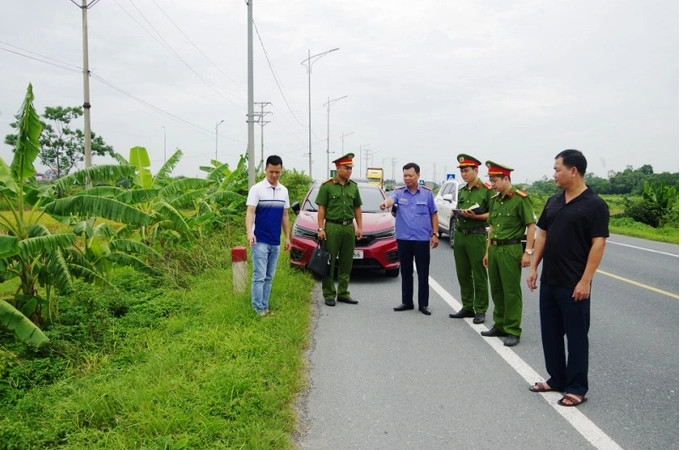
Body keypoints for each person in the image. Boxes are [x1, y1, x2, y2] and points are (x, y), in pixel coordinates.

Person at [527, 149, 609, 408]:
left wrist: (585, 281)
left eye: (557, 169)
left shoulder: (594, 205)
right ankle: (556, 379)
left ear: (573, 171)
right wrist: (533, 267)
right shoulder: (553, 200)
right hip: (550, 280)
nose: (554, 174)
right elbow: (543, 235)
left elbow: (598, 244)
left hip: (575, 284)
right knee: (550, 333)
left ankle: (576, 387)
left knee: (575, 337)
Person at [481, 161, 535, 346]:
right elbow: (492, 226)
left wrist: (527, 252)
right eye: (490, 180)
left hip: (511, 249)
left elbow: (531, 225)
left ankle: (513, 329)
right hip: (495, 249)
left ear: (506, 178)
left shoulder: (520, 199)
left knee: (511, 291)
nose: (492, 184)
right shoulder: (495, 200)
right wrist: (488, 251)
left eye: (495, 180)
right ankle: (500, 324)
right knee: (496, 288)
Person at [379, 162, 439, 315]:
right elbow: (391, 200)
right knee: (405, 272)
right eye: (405, 175)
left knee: (423, 272)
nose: (407, 178)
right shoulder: (399, 192)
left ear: (418, 175)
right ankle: (407, 302)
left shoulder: (427, 194)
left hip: (422, 240)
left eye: (410, 175)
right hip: (404, 239)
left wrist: (435, 234)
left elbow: (433, 214)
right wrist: (386, 202)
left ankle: (423, 304)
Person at [448, 154, 492, 324]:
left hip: (476, 235)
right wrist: (458, 212)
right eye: (462, 171)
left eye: (466, 171)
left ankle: (480, 309)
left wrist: (476, 216)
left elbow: (492, 215)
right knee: (463, 273)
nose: (464, 174)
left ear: (476, 170)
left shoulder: (487, 190)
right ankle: (467, 306)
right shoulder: (463, 190)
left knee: (479, 274)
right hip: (460, 235)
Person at [245, 155, 291, 316]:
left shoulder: (283, 191)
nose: (274, 175)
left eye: (277, 172)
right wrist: (250, 233)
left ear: (281, 171)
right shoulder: (256, 189)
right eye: (271, 172)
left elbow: (285, 216)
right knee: (259, 276)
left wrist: (287, 237)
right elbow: (250, 212)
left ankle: (265, 306)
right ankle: (257, 308)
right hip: (259, 240)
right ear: (265, 169)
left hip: (275, 240)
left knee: (269, 277)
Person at [315, 153, 363, 307]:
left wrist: (359, 227)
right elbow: (321, 208)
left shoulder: (353, 187)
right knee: (329, 261)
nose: (349, 171)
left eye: (351, 168)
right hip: (332, 227)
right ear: (338, 168)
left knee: (346, 262)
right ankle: (329, 293)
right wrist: (321, 228)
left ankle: (343, 293)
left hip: (348, 227)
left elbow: (357, 208)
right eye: (346, 168)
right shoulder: (327, 186)